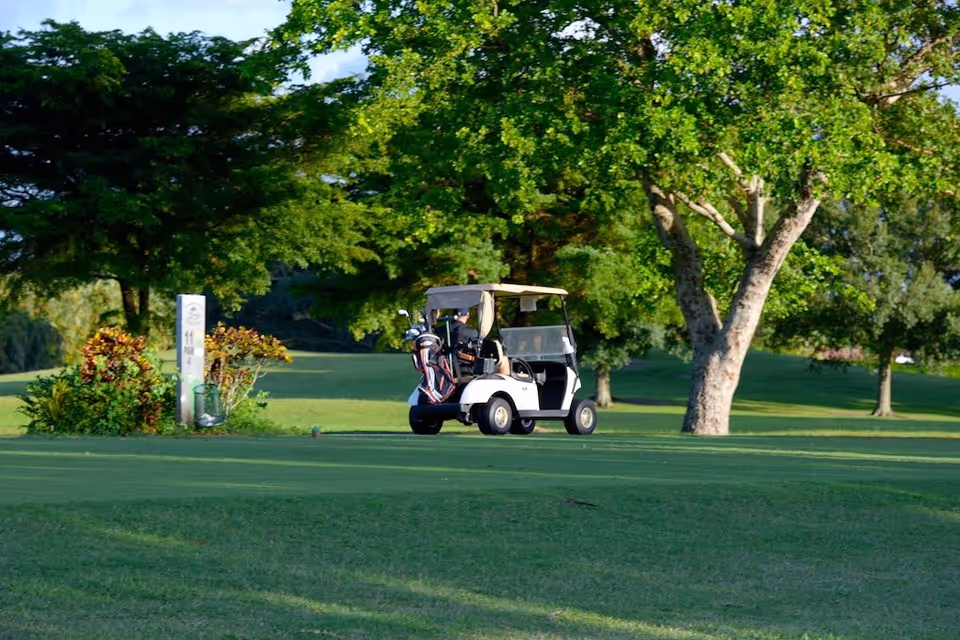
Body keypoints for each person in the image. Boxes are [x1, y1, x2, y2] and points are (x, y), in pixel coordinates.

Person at [448, 307, 510, 376]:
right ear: (468, 316)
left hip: (446, 370)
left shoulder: (442, 331)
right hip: (468, 371)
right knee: (503, 359)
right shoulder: (472, 332)